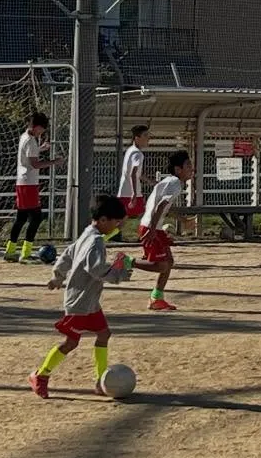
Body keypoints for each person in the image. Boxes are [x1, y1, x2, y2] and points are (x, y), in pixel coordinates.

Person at [28, 194, 133, 399]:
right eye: (115, 222)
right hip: (79, 302)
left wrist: (58, 276)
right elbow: (96, 269)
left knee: (104, 334)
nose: (116, 226)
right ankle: (40, 375)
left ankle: (100, 380)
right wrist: (120, 271)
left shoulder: (89, 233)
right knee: (71, 343)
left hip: (90, 302)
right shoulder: (95, 242)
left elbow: (68, 253)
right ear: (103, 220)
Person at [137, 150, 195, 311]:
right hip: (151, 226)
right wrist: (153, 230)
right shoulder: (175, 183)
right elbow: (160, 206)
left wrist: (183, 220)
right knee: (161, 265)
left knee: (168, 262)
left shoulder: (173, 182)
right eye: (188, 165)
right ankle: (127, 261)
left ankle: (156, 298)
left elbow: (165, 207)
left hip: (153, 226)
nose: (192, 168)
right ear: (178, 170)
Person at [6, 112, 54, 263]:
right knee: (36, 217)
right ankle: (25, 254)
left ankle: (10, 251)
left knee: (21, 218)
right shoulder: (31, 141)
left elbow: (29, 155)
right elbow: (35, 164)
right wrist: (54, 162)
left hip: (22, 181)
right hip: (29, 184)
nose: (42, 132)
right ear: (38, 127)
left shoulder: (24, 137)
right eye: (42, 129)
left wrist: (41, 149)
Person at [117, 125, 151, 236]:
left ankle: (109, 237)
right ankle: (146, 233)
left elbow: (138, 175)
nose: (148, 138)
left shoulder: (131, 150)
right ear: (137, 138)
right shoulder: (137, 154)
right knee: (146, 212)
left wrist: (152, 182)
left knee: (124, 218)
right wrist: (134, 194)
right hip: (130, 192)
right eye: (145, 136)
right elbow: (132, 173)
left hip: (127, 190)